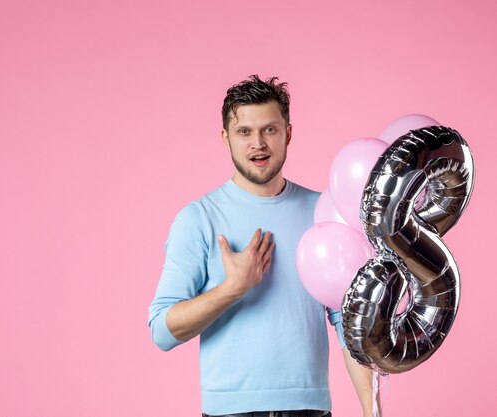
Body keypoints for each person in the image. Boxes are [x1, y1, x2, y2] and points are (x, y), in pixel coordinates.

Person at [148, 75, 376, 417]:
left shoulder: (323, 212)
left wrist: (372, 409)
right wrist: (233, 288)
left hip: (310, 410)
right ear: (226, 138)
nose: (258, 143)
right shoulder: (198, 218)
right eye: (244, 132)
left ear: (288, 133)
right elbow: (162, 330)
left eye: (269, 129)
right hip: (230, 412)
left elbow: (348, 322)